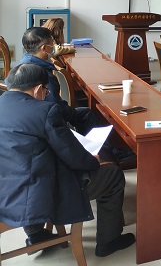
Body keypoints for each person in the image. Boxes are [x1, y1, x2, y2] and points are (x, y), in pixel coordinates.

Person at [0, 64, 135, 257]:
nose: (45, 95)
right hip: (36, 194)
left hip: (5, 190)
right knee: (112, 174)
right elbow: (73, 156)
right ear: (38, 89)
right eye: (46, 91)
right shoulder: (44, 111)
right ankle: (109, 241)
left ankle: (36, 234)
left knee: (23, 167)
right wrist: (92, 160)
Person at [18, 27, 96, 135]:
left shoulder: (22, 64)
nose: (54, 46)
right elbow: (55, 106)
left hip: (25, 116)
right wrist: (70, 110)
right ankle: (97, 145)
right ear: (44, 48)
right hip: (43, 118)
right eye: (52, 43)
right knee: (86, 113)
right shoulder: (43, 74)